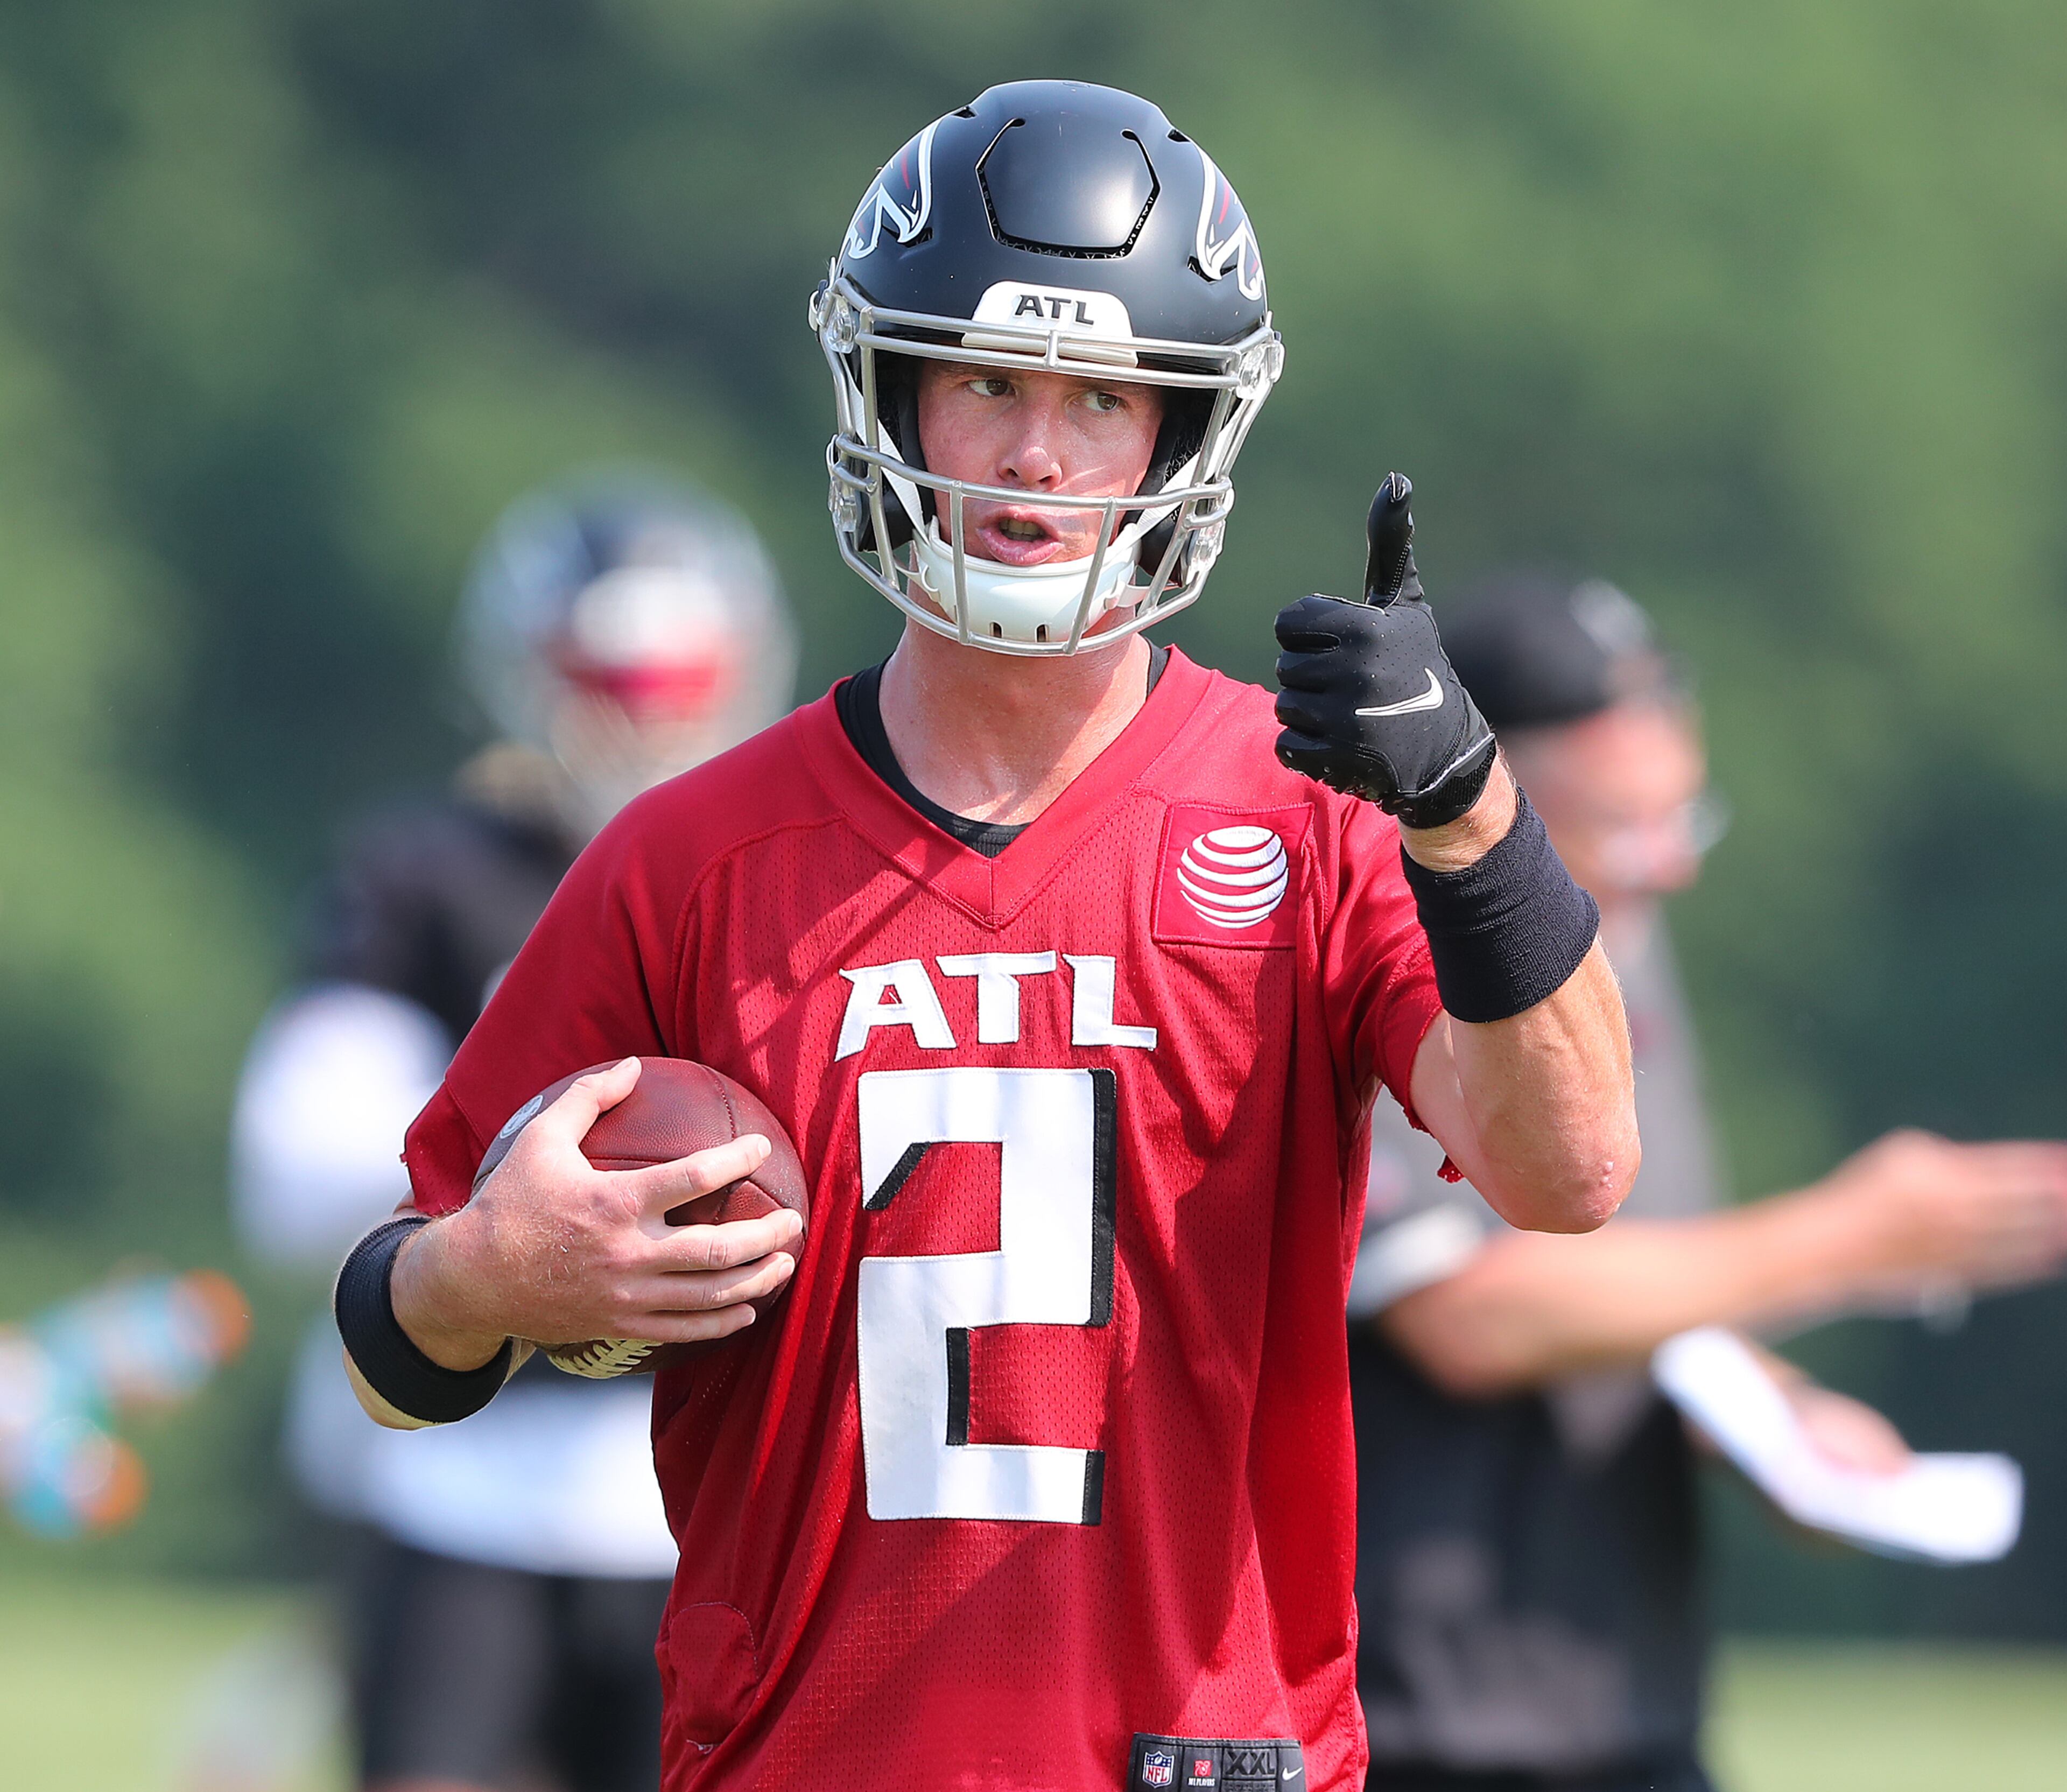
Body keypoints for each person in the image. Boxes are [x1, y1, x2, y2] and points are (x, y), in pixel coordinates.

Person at [330, 83, 1639, 1792]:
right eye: (989, 383)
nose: (1036, 455)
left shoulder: (1315, 818)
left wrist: (1474, 814)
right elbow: (393, 1343)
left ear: (1179, 435)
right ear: (893, 393)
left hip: (1208, 1762)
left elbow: (1573, 1171)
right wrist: (485, 1275)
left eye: (1101, 398)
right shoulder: (690, 856)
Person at [1347, 573, 2067, 1792]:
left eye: (1684, 816)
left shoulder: (1622, 944)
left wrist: (1778, 1420)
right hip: (1423, 1716)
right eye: (1620, 824)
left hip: (1630, 1700)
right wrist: (1854, 1237)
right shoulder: (1377, 950)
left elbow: (1643, 1274)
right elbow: (1468, 1312)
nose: (1669, 868)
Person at [231, 470, 796, 1792]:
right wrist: (526, 1186)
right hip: (463, 1479)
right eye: (610, 679)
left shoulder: (786, 872)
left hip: (718, 1489)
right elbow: (294, 1160)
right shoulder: (439, 874)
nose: (645, 718)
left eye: (673, 678)